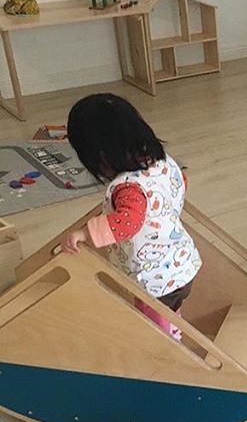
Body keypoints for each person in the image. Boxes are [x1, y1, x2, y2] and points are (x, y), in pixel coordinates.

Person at [61, 93, 201, 339]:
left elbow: (128, 223)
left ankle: (168, 353)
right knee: (169, 312)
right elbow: (181, 184)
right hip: (181, 265)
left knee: (153, 330)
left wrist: (84, 233)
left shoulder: (129, 188)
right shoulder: (164, 164)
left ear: (100, 156)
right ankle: (174, 329)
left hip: (155, 281)